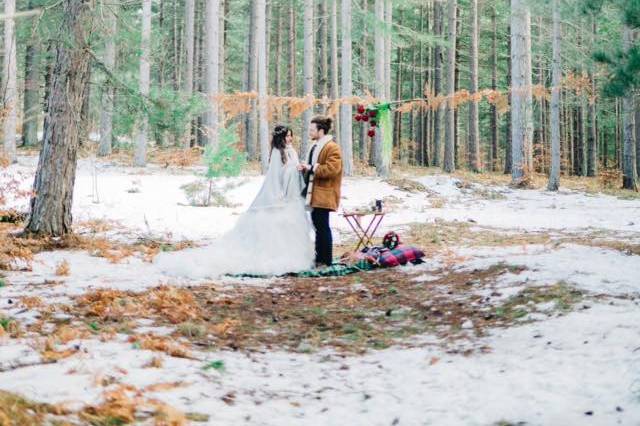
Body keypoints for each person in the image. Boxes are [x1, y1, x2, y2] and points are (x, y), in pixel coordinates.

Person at [156, 125, 314, 278]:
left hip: (292, 196)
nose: (290, 138)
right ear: (280, 137)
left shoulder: (291, 151)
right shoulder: (277, 153)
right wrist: (281, 191)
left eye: (291, 135)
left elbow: (291, 169)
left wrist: (299, 168)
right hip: (281, 196)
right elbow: (274, 176)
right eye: (287, 135)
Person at [298, 116, 343, 267]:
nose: (310, 132)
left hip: (324, 194)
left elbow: (332, 170)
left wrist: (312, 167)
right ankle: (320, 258)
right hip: (315, 193)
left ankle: (326, 260)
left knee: (322, 226)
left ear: (321, 130)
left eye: (312, 130)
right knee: (318, 225)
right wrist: (305, 168)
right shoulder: (315, 146)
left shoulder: (332, 147)